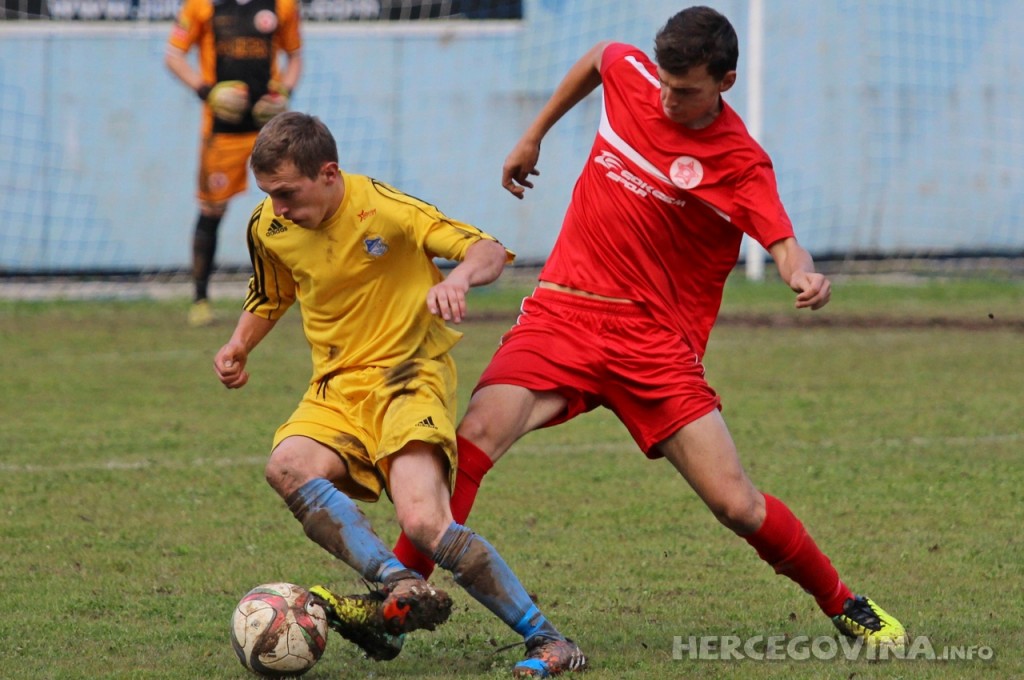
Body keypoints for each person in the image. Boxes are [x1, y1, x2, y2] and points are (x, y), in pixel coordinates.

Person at [388, 5, 908, 653]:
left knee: (737, 506)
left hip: (655, 348)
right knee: (473, 439)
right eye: (663, 81)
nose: (666, 97)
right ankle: (394, 606)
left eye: (686, 90)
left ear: (726, 81)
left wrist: (803, 275)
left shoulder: (742, 163)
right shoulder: (635, 76)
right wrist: (534, 135)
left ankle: (844, 603)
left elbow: (783, 241)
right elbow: (601, 57)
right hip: (563, 315)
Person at [213, 112, 587, 679]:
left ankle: (550, 640)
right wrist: (240, 344)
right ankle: (396, 584)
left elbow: (485, 248)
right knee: (287, 466)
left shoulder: (387, 210)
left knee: (424, 524)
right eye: (270, 195)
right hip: (336, 387)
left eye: (287, 192)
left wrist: (459, 279)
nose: (279, 207)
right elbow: (272, 292)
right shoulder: (269, 225)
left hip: (407, 378)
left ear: (329, 174)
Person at [165, 0, 302, 327]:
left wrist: (284, 90)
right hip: (221, 130)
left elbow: (295, 56)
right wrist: (206, 90)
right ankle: (200, 299)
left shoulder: (282, 5)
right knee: (212, 210)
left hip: (268, 128)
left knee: (295, 204)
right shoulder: (201, 6)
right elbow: (173, 56)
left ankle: (307, 290)